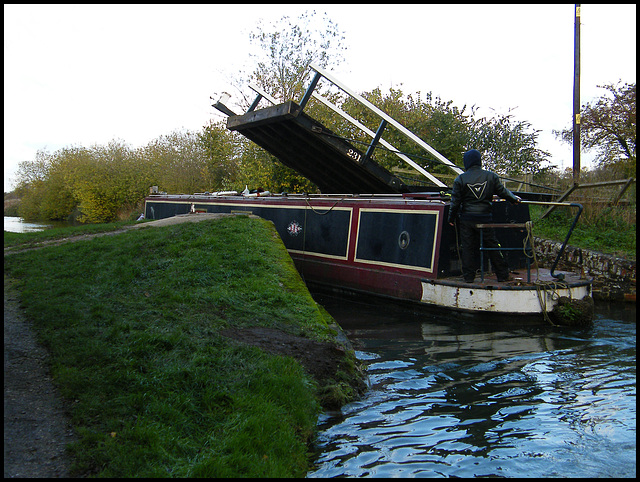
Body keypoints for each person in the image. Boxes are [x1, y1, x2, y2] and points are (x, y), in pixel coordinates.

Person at [447, 149, 521, 282]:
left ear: (467, 162)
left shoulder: (460, 179)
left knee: (468, 248)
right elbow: (502, 191)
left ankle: (469, 277)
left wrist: (451, 218)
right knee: (492, 246)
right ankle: (502, 275)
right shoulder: (491, 176)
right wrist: (514, 199)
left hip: (467, 219)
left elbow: (455, 202)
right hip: (485, 218)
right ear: (479, 161)